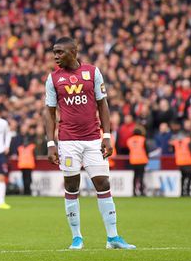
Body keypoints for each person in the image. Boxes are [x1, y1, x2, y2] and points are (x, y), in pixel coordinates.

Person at [43, 37, 135, 250]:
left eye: (60, 52)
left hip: (93, 139)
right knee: (72, 186)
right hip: (67, 141)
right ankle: (77, 237)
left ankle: (112, 237)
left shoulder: (93, 73)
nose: (55, 56)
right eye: (54, 52)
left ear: (73, 51)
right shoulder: (53, 79)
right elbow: (49, 113)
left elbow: (103, 105)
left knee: (103, 184)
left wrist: (107, 136)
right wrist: (50, 142)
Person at [171, 131, 191, 197]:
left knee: (183, 177)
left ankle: (182, 192)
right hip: (188, 162)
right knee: (189, 177)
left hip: (180, 162)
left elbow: (172, 151)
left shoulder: (175, 142)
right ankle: (187, 191)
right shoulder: (188, 141)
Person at [126, 127, 149, 196]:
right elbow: (147, 149)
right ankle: (141, 191)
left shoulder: (129, 140)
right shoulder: (143, 139)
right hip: (142, 160)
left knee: (135, 176)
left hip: (133, 160)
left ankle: (134, 191)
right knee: (141, 176)